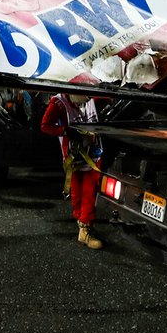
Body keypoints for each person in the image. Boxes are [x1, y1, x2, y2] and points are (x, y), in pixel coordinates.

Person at [40, 91, 105, 250]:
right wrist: (65, 131)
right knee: (78, 191)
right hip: (74, 155)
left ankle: (84, 224)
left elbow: (103, 98)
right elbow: (45, 126)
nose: (89, 99)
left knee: (89, 190)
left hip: (93, 153)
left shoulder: (90, 96)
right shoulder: (58, 104)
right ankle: (83, 227)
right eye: (86, 95)